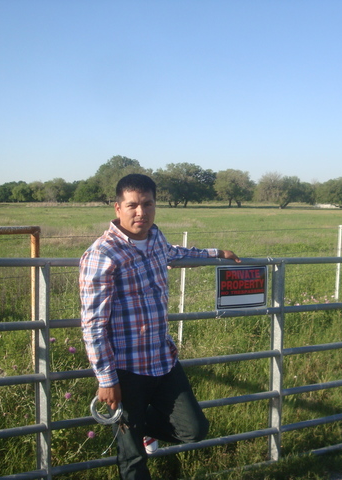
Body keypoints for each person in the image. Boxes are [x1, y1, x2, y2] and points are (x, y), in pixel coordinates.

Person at [79, 173, 240, 479]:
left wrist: (217, 254)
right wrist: (106, 378)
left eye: (148, 204)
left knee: (194, 428)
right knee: (133, 458)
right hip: (126, 370)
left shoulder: (155, 237)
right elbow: (93, 325)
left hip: (163, 360)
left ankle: (141, 426)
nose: (141, 212)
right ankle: (134, 427)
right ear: (117, 208)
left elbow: (175, 254)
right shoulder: (103, 255)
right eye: (133, 205)